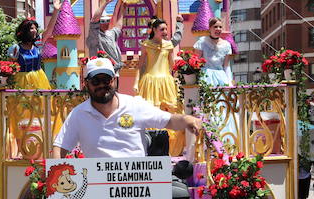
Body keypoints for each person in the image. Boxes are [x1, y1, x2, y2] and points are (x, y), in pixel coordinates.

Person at [51, 58, 202, 159]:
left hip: (136, 188)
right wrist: (57, 177)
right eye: (96, 81)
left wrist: (186, 119)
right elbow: (60, 147)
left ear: (115, 80)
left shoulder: (134, 105)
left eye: (106, 79)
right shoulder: (79, 114)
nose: (102, 85)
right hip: (98, 189)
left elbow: (168, 121)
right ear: (86, 84)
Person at [137, 15, 184, 111]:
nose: (165, 32)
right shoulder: (146, 44)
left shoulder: (168, 44)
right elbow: (140, 65)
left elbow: (172, 65)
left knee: (169, 108)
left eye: (166, 29)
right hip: (150, 82)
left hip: (165, 81)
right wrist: (136, 82)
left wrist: (178, 78)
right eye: (162, 29)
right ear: (154, 29)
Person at [193, 17, 235, 87]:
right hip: (206, 76)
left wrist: (229, 82)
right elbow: (197, 63)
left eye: (220, 27)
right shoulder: (202, 42)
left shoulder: (226, 45)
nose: (218, 29)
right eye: (215, 27)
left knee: (222, 97)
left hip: (221, 77)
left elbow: (226, 66)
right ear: (209, 28)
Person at [87, 0, 123, 69]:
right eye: (103, 21)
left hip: (115, 69)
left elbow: (118, 26)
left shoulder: (110, 33)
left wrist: (123, 7)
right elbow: (94, 20)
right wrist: (105, 3)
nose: (106, 23)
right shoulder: (95, 34)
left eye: (107, 20)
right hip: (100, 69)